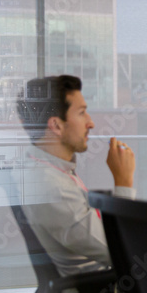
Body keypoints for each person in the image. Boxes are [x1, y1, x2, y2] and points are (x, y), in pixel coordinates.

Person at [16, 75, 136, 276]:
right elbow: (125, 252)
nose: (91, 123)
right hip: (107, 292)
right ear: (56, 125)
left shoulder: (48, 170)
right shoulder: (52, 187)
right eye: (82, 113)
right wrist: (123, 182)